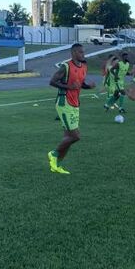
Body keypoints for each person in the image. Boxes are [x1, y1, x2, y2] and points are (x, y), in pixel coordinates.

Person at [47, 43, 95, 174]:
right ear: (73, 53)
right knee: (76, 136)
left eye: (83, 52)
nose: (83, 55)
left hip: (75, 103)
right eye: (80, 52)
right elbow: (52, 81)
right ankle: (53, 154)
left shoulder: (84, 67)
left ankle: (56, 165)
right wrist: (69, 87)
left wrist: (88, 86)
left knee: (68, 136)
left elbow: (80, 84)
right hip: (64, 103)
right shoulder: (66, 66)